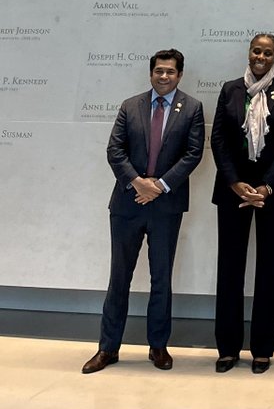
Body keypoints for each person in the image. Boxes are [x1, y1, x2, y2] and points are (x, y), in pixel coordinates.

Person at [82, 49, 204, 374]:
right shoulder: (130, 106)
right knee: (118, 278)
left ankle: (158, 346)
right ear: (151, 73)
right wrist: (138, 183)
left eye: (170, 72)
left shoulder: (192, 108)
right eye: (159, 71)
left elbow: (193, 155)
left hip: (166, 207)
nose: (164, 77)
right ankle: (108, 349)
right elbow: (114, 150)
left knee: (161, 279)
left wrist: (160, 186)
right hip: (126, 205)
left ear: (180, 75)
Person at [211, 32, 274, 374]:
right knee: (230, 270)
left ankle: (262, 349)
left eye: (267, 52)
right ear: (248, 53)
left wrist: (266, 186)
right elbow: (217, 137)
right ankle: (228, 348)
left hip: (271, 195)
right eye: (256, 50)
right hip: (232, 192)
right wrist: (236, 183)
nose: (260, 56)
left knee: (269, 270)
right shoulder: (230, 90)